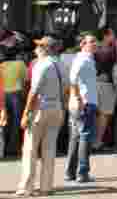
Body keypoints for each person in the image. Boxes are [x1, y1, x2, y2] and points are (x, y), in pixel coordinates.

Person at [16, 37, 66, 198]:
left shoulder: (41, 64)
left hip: (40, 109)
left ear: (44, 49)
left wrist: (25, 113)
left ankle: (26, 188)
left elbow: (33, 91)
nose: (35, 49)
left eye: (38, 46)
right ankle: (46, 187)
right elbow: (66, 89)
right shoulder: (61, 65)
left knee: (30, 149)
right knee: (49, 149)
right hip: (56, 108)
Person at [65, 32, 99, 184]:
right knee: (84, 136)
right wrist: (77, 97)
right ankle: (82, 173)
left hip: (84, 102)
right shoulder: (82, 59)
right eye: (91, 42)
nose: (94, 44)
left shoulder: (88, 59)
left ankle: (71, 172)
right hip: (85, 103)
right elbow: (72, 78)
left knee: (76, 137)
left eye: (95, 42)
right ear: (82, 44)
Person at [92, 28, 117, 151]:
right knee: (104, 114)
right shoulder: (111, 50)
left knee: (95, 114)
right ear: (106, 35)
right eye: (112, 34)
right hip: (107, 84)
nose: (114, 37)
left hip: (95, 83)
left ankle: (92, 141)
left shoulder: (95, 49)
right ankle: (97, 142)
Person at [2, 45, 26, 157]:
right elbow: (25, 80)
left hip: (3, 95)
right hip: (16, 94)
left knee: (4, 121)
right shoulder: (20, 64)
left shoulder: (1, 65)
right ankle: (13, 148)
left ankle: (4, 147)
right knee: (16, 122)